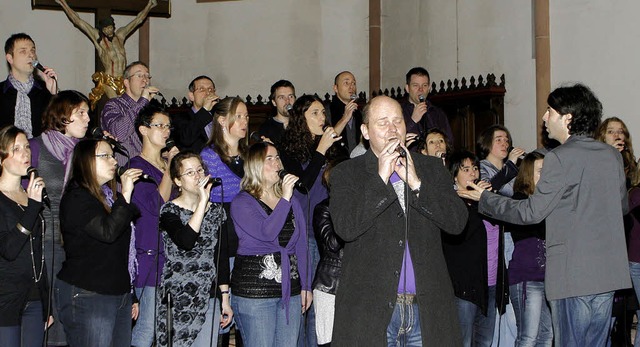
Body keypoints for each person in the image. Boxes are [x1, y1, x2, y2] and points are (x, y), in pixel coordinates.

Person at [459, 83, 632, 347]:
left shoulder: (558, 158)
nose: (544, 118)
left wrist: (485, 198)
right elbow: (621, 208)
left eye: (549, 111)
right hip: (608, 274)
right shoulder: (611, 156)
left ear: (568, 117)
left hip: (572, 276)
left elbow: (531, 212)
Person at [329, 95, 468, 346]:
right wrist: (381, 179)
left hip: (426, 308)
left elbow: (457, 222)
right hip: (372, 311)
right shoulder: (347, 173)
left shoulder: (431, 169)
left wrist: (416, 184)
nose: (393, 129)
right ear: (365, 131)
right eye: (383, 122)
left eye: (398, 121)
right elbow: (346, 228)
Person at [56, 138, 142, 347]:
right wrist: (127, 195)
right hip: (89, 293)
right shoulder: (77, 198)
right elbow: (108, 232)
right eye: (106, 156)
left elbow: (120, 250)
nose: (114, 161)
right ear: (86, 161)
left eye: (113, 155)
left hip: (118, 291)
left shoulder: (110, 198)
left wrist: (131, 294)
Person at [230, 142, 312, 346]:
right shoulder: (242, 202)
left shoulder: (292, 201)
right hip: (255, 293)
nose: (277, 163)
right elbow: (267, 232)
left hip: (290, 291)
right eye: (269, 159)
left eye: (277, 158)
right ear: (255, 165)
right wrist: (284, 197)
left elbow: (301, 245)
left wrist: (307, 285)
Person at [280, 94, 343, 346]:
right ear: (301, 119)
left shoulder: (334, 147)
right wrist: (320, 151)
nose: (322, 118)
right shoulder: (289, 151)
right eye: (315, 113)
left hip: (331, 233)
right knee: (305, 304)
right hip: (305, 234)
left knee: (324, 306)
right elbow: (302, 186)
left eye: (323, 113)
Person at [29, 89, 91, 346]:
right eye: (81, 113)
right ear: (63, 116)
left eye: (88, 113)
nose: (88, 119)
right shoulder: (35, 147)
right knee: (50, 319)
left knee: (73, 317)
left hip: (77, 245)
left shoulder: (85, 153)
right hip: (45, 243)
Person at [156, 152, 232, 346]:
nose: (198, 176)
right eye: (190, 172)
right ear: (177, 181)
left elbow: (220, 256)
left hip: (208, 293)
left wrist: (225, 297)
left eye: (200, 170)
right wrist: (202, 203)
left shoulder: (216, 211)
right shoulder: (169, 211)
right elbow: (186, 240)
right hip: (177, 295)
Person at [443, 150, 506, 347]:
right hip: (464, 286)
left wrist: (487, 199)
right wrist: (476, 201)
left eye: (475, 168)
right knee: (464, 341)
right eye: (466, 169)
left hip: (490, 282)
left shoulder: (485, 200)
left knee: (485, 341)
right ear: (454, 175)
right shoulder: (450, 202)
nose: (473, 173)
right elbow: (459, 233)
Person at [199, 96, 248, 346]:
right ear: (221, 120)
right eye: (238, 116)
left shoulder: (251, 155)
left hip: (249, 236)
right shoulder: (208, 157)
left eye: (246, 117)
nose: (244, 121)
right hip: (223, 236)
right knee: (221, 313)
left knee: (244, 316)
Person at [129, 105, 178, 347]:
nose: (166, 131)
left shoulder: (168, 166)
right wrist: (170, 168)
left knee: (167, 330)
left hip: (173, 256)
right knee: (147, 328)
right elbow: (157, 206)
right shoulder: (136, 167)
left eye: (168, 126)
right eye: (160, 125)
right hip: (150, 256)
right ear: (143, 130)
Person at [0, 125, 50, 347]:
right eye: (16, 148)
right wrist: (32, 208)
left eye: (27, 147)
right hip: (6, 298)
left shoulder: (31, 196)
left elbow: (37, 252)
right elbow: (9, 250)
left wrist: (47, 300)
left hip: (35, 297)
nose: (26, 153)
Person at [55, 0, 157, 104]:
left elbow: (137, 21)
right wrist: (64, 3)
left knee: (129, 105)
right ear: (102, 30)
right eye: (105, 29)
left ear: (113, 27)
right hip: (109, 80)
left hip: (123, 79)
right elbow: (78, 21)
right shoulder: (100, 41)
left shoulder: (120, 36)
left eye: (110, 28)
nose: (108, 31)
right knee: (117, 105)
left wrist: (149, 5)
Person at [507, 152, 552, 347]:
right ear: (528, 174)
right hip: (527, 276)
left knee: (547, 334)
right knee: (528, 336)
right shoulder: (519, 199)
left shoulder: (546, 201)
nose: (546, 175)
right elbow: (534, 227)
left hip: (546, 277)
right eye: (541, 171)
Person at [312, 157, 346, 347]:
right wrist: (346, 212)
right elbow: (332, 244)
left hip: (354, 284)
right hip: (330, 284)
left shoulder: (359, 208)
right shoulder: (323, 209)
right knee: (329, 342)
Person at [101, 61, 160, 166]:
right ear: (126, 82)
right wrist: (143, 102)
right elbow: (119, 133)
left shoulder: (153, 108)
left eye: (147, 76)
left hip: (151, 168)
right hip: (127, 169)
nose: (145, 80)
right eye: (139, 75)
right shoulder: (114, 105)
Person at [1, 33, 58, 138]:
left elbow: (58, 128)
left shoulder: (45, 90)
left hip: (41, 153)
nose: (31, 55)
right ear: (10, 58)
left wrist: (53, 94)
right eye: (23, 51)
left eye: (32, 50)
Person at [401, 67, 453, 141]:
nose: (421, 89)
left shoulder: (438, 113)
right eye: (415, 85)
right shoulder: (399, 112)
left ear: (429, 88)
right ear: (407, 88)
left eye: (424, 85)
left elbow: (449, 141)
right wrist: (413, 120)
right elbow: (396, 139)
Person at [172, 75, 220, 153]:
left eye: (211, 89)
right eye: (202, 89)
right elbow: (186, 140)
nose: (208, 93)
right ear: (191, 96)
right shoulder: (180, 118)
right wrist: (204, 110)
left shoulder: (219, 116)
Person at [596, 117, 638, 187]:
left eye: (620, 132)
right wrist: (610, 154)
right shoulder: (596, 158)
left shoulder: (629, 160)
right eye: (610, 132)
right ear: (603, 137)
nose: (616, 135)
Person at [327, 71, 361, 153]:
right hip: (337, 160)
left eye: (353, 83)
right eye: (346, 83)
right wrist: (344, 119)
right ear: (336, 88)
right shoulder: (327, 111)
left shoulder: (359, 112)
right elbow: (325, 142)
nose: (351, 87)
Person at [258, 80, 296, 145]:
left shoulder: (302, 124)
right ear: (274, 102)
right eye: (282, 97)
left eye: (290, 96)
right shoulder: (266, 128)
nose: (287, 101)